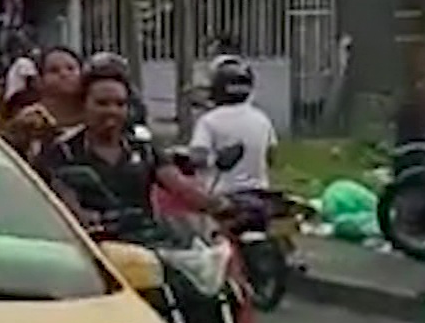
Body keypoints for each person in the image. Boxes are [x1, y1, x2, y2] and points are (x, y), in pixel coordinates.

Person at [38, 69, 225, 226]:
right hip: (94, 252)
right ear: (83, 105)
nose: (112, 110)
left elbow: (181, 187)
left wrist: (224, 206)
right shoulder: (63, 153)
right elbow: (68, 208)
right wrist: (95, 220)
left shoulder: (145, 150)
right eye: (102, 103)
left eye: (120, 104)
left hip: (147, 246)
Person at [190, 59, 278, 200]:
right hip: (259, 194)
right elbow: (271, 157)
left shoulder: (209, 120)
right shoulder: (262, 118)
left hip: (222, 197)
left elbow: (198, 158)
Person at [0, 46, 84, 161]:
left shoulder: (95, 114)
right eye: (54, 70)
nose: (64, 74)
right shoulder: (27, 121)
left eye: (71, 68)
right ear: (40, 80)